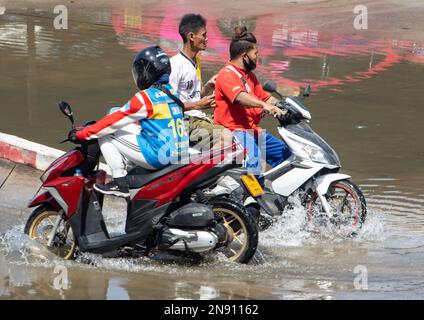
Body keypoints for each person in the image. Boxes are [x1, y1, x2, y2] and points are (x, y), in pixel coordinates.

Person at [70, 46, 189, 197]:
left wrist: (82, 134)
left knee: (106, 133)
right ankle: (130, 168)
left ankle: (120, 182)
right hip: (179, 152)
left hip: (159, 157)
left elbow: (109, 123)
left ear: (146, 71)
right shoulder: (171, 92)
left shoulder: (146, 97)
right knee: (117, 115)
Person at [214, 26, 291, 174]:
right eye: (255, 53)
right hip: (234, 131)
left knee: (286, 155)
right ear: (244, 56)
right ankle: (251, 196)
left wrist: (285, 105)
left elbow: (266, 97)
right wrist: (265, 106)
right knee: (255, 164)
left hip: (251, 130)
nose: (258, 57)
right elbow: (240, 97)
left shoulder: (249, 75)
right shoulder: (226, 74)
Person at [169, 13, 230, 150]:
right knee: (225, 137)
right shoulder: (175, 64)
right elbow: (168, 107)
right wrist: (198, 105)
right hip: (184, 121)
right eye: (203, 35)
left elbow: (193, 97)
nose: (206, 39)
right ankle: (204, 170)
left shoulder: (196, 61)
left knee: (234, 126)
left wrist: (208, 86)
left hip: (197, 117)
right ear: (191, 36)